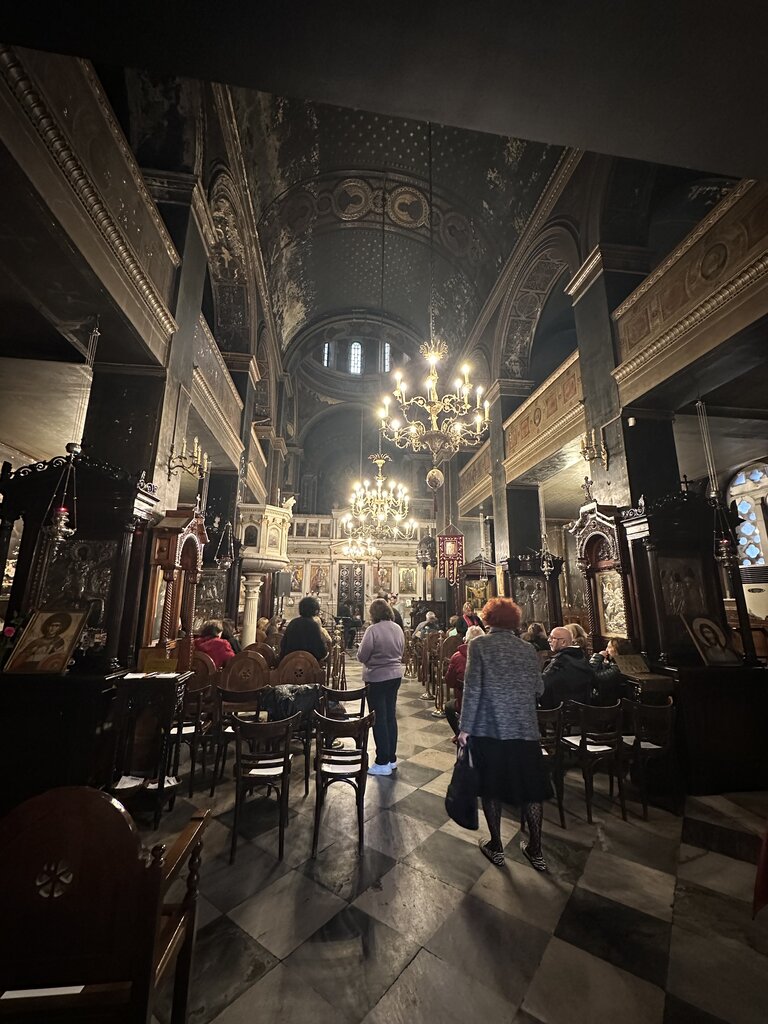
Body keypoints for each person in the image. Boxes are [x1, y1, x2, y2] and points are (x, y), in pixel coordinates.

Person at [458, 598, 551, 871]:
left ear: (488, 619)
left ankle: (496, 846)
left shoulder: (479, 645)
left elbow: (472, 689)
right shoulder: (527, 649)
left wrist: (465, 727)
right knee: (532, 789)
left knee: (491, 788)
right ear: (514, 621)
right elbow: (539, 689)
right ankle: (536, 849)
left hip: (490, 729)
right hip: (524, 729)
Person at [357, 598, 405, 776]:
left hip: (377, 677)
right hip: (395, 676)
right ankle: (391, 758)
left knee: (379, 719)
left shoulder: (373, 630)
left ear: (373, 613)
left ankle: (382, 761)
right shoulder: (397, 628)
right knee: (390, 716)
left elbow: (362, 656)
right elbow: (401, 651)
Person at [443, 624, 484, 734]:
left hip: (464, 704)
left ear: (465, 639)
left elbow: (449, 682)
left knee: (448, 707)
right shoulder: (489, 656)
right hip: (485, 706)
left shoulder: (457, 657)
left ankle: (458, 734)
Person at [540, 626, 594, 708]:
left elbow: (543, 684)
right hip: (583, 708)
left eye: (552, 638)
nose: (548, 640)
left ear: (563, 642)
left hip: (561, 709)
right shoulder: (581, 657)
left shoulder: (560, 662)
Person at [279, 596, 328, 663]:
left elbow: (283, 645)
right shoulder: (313, 625)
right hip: (308, 665)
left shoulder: (293, 623)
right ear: (315, 610)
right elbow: (320, 651)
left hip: (290, 663)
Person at [589, 638, 628, 704]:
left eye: (609, 647)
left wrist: (597, 657)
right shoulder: (612, 664)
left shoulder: (619, 668)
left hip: (608, 705)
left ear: (617, 650)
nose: (606, 650)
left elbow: (591, 676)